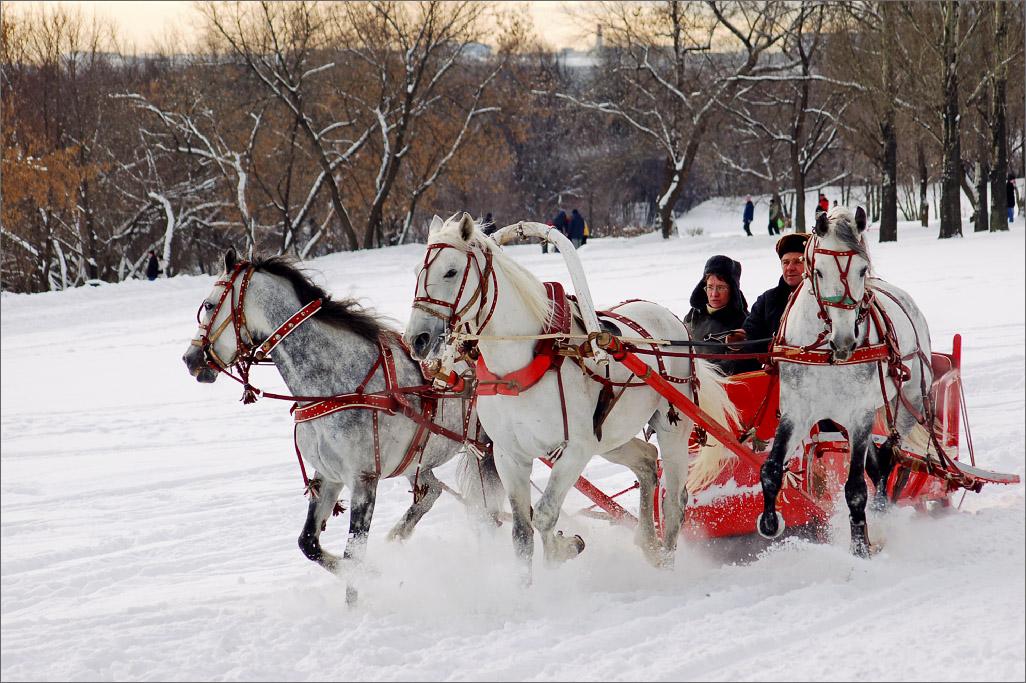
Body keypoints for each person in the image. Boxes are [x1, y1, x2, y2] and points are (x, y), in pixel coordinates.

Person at [726, 232, 811, 355]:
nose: (790, 268)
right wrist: (741, 339)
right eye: (785, 262)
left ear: (810, 264)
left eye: (798, 262)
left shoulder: (824, 301)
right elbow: (751, 335)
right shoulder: (767, 300)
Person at [683, 255, 757, 375]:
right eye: (710, 287)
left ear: (732, 290)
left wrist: (701, 372)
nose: (714, 294)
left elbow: (741, 364)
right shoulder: (692, 316)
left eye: (721, 287)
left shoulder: (744, 323)